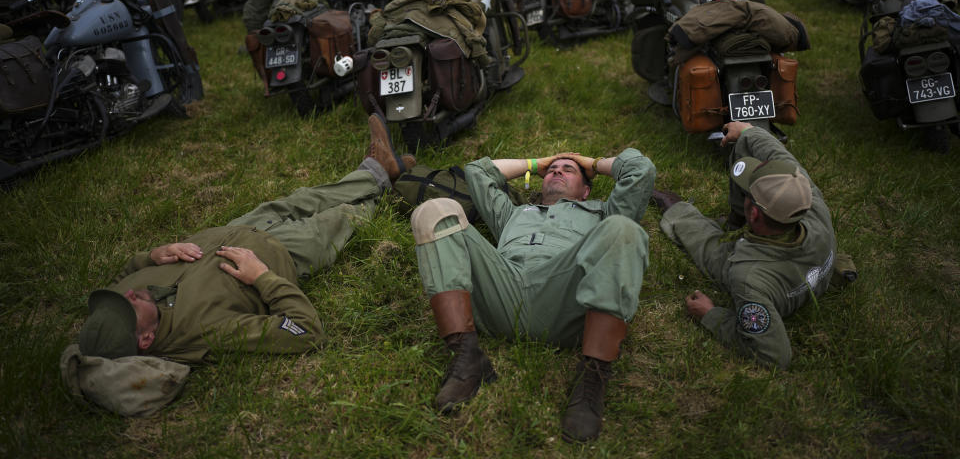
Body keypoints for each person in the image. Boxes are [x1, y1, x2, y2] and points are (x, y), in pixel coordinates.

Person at [78, 115, 415, 364]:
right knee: (340, 218)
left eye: (120, 298)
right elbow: (305, 332)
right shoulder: (205, 332)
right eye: (130, 307)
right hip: (280, 253)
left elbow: (124, 275)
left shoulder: (123, 298)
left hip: (234, 231)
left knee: (302, 198)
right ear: (147, 340)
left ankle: (377, 170)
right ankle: (388, 185)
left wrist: (150, 256)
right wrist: (263, 277)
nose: (130, 294)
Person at [410, 149, 655, 442]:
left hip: (568, 300)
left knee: (623, 229)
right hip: (504, 289)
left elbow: (640, 169)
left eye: (569, 170)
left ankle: (592, 376)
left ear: (586, 190)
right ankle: (466, 355)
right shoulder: (513, 213)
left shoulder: (603, 212)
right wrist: (536, 164)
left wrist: (594, 164)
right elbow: (477, 171)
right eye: (553, 169)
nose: (558, 171)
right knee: (435, 211)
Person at [652, 121, 836, 369]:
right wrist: (749, 132)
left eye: (747, 192)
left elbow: (775, 356)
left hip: (764, 267)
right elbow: (780, 155)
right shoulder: (811, 204)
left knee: (703, 241)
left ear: (755, 215)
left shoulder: (748, 277)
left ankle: (675, 209)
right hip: (806, 260)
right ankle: (731, 222)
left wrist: (711, 315)